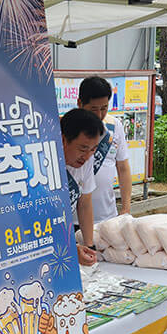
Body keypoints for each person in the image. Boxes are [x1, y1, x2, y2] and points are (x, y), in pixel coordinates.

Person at [76, 76, 132, 222]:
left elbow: (123, 168)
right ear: (80, 103)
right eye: (93, 109)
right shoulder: (68, 129)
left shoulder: (114, 126)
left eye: (104, 108)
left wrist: (125, 209)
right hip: (74, 219)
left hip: (108, 217)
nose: (99, 115)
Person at [61, 107, 102, 266]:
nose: (86, 157)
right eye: (82, 149)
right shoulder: (42, 162)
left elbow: (84, 202)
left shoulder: (86, 160)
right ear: (64, 140)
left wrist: (89, 245)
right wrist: (71, 248)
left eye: (93, 149)